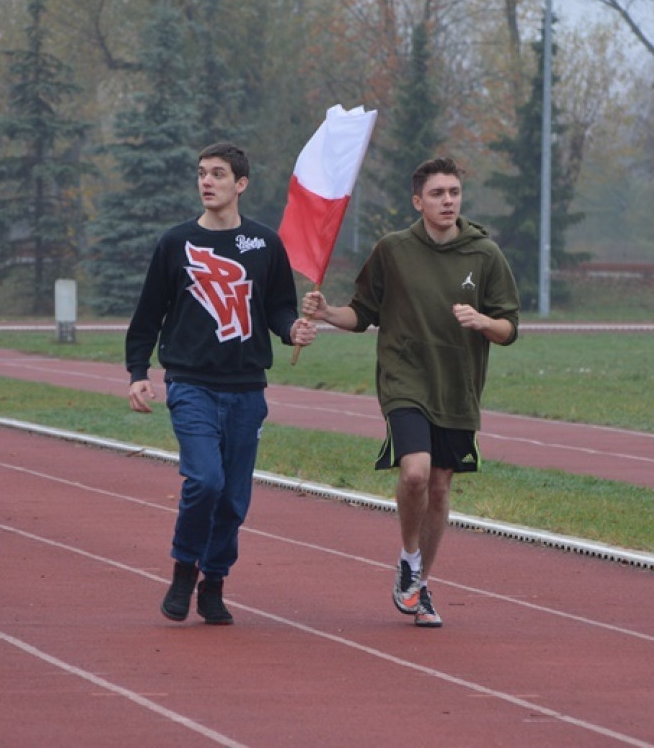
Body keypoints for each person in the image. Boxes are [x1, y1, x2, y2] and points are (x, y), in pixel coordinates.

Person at [301, 156, 520, 628]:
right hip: (404, 378)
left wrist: (483, 321)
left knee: (441, 487)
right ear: (418, 201)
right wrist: (325, 312)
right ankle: (408, 557)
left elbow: (509, 328)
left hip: (457, 385)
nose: (447, 201)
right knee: (417, 473)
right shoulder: (393, 250)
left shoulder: (485, 255)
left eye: (454, 193)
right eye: (438, 194)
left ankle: (417, 580)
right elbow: (362, 314)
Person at [126, 142, 317, 625]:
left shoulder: (265, 243)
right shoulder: (175, 243)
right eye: (202, 173)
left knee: (233, 498)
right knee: (205, 482)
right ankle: (184, 571)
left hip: (247, 388)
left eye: (217, 174)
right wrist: (137, 374)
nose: (207, 182)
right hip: (190, 382)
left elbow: (279, 307)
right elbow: (148, 314)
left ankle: (214, 582)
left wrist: (292, 328)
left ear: (241, 184)